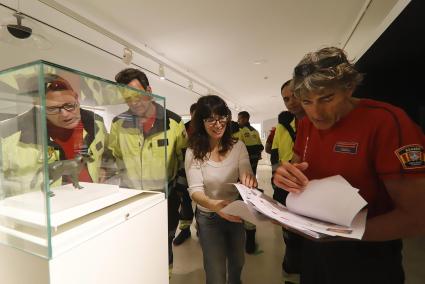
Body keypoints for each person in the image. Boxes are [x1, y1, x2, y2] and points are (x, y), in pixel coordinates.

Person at [273, 46, 425, 284]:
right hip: (315, 250)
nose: (316, 113)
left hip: (368, 256)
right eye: (307, 102)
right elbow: (297, 166)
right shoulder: (305, 124)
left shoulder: (387, 122)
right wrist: (285, 175)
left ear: (349, 88)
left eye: (327, 99)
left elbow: (417, 217)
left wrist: (342, 234)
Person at [108, 68, 188, 273]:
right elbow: (113, 157)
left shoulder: (173, 122)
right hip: (131, 199)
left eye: (137, 95)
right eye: (127, 98)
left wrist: (179, 193)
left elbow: (184, 161)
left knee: (164, 244)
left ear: (150, 91)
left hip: (165, 197)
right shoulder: (118, 123)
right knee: (135, 245)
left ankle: (164, 275)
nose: (134, 102)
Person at [185, 95, 257, 284]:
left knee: (237, 262)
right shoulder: (193, 151)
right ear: (201, 122)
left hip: (234, 213)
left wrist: (248, 180)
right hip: (209, 216)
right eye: (211, 119)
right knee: (215, 270)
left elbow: (245, 170)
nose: (218, 124)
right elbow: (195, 190)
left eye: (222, 117)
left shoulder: (238, 146)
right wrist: (214, 204)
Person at [1, 74, 108, 196]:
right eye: (52, 109)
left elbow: (106, 152)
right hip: (39, 211)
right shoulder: (6, 134)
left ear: (76, 98)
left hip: (91, 202)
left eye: (69, 105)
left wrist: (103, 168)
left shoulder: (95, 122)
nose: (65, 114)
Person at [271, 80, 305, 284]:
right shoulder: (282, 128)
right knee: (290, 233)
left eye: (295, 95)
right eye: (286, 98)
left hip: (313, 192)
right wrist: (277, 185)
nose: (291, 102)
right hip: (287, 187)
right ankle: (291, 267)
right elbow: (274, 154)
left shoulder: (316, 124)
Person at [237, 110, 264, 253]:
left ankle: (249, 237)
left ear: (246, 118)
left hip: (245, 168)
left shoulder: (243, 130)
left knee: (246, 199)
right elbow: (260, 147)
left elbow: (256, 147)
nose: (239, 120)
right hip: (250, 166)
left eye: (240, 118)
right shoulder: (253, 131)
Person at [173, 102, 197, 246]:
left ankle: (202, 228)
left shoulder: (208, 129)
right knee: (185, 203)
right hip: (184, 171)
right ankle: (185, 230)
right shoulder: (184, 127)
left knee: (203, 204)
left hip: (204, 172)